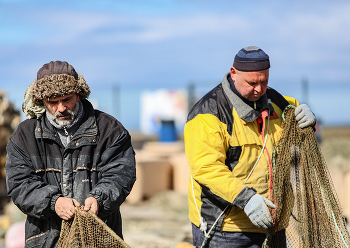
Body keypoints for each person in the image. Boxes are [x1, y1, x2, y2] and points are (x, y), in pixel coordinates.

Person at [184, 46, 316, 248]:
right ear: (234, 73)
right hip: (226, 229)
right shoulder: (208, 114)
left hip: (273, 223)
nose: (259, 89)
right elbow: (206, 169)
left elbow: (297, 136)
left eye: (264, 81)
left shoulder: (279, 103)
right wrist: (248, 200)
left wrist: (309, 123)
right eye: (252, 83)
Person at [5, 61, 136, 247]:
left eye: (67, 99)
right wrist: (53, 202)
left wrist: (99, 198)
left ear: (79, 95)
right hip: (44, 240)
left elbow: (121, 174)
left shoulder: (110, 130)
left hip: (97, 239)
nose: (61, 108)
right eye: (53, 102)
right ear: (41, 101)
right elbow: (19, 183)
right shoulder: (24, 136)